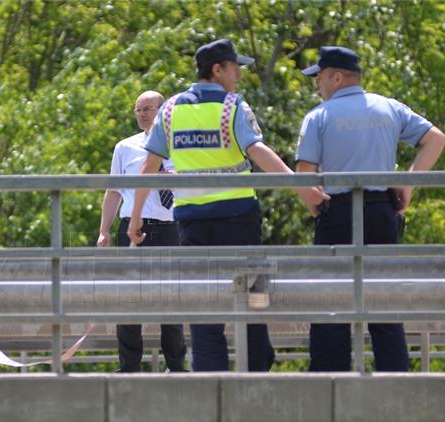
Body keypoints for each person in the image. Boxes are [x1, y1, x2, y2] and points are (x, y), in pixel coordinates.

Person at [128, 38, 326, 372]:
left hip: (192, 222)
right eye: (235, 68)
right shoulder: (233, 106)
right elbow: (257, 151)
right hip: (239, 218)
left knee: (204, 306)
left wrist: (136, 218)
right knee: (253, 295)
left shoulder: (170, 109)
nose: (238, 75)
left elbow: (149, 166)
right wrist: (301, 186)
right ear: (217, 70)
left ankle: (211, 378)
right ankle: (258, 366)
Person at [296, 46, 445, 372]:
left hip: (337, 213)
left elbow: (304, 176)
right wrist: (406, 184)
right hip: (381, 212)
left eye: (319, 78)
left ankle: (327, 384)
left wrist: (313, 203)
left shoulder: (319, 116)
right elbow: (435, 139)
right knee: (383, 302)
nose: (317, 86)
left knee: (331, 304)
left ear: (335, 77)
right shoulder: (389, 107)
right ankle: (395, 384)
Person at [97, 90, 187, 373]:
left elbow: (191, 183)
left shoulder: (181, 145)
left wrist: (163, 175)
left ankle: (175, 365)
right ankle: (129, 367)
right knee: (128, 300)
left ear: (161, 110)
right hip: (133, 228)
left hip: (171, 228)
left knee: (172, 301)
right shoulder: (125, 147)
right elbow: (112, 191)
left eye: (147, 108)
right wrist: (104, 231)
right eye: (137, 110)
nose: (141, 114)